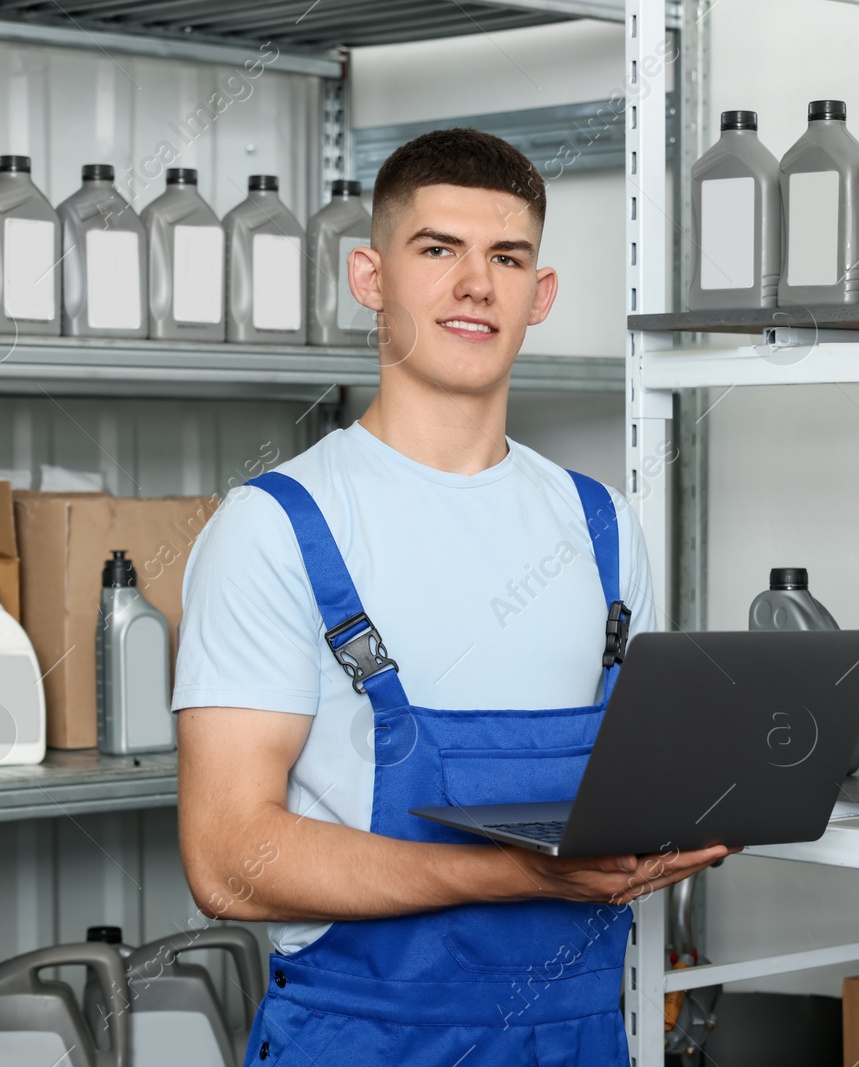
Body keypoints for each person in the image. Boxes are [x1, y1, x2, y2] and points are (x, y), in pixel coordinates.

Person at [174, 128, 736, 1065]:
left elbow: (633, 793)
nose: (475, 284)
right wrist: (519, 875)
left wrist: (713, 821)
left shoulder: (602, 528)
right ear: (371, 277)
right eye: (437, 250)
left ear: (540, 294)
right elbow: (230, 860)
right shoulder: (277, 527)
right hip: (364, 1040)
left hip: (580, 1037)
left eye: (506, 257)